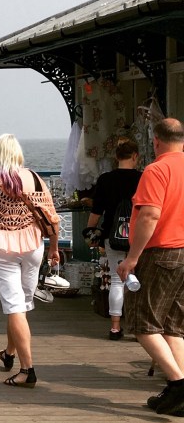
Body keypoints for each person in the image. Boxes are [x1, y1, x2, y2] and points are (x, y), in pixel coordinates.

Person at [0, 134, 60, 388]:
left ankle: (27, 369)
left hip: (3, 245)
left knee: (15, 306)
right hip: (33, 244)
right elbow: (51, 216)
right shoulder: (34, 177)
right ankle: (9, 352)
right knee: (22, 304)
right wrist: (54, 248)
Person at [116, 119, 184, 415]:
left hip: (161, 252)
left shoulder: (157, 170)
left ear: (156, 141)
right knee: (173, 325)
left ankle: (178, 382)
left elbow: (149, 216)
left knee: (142, 323)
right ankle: (178, 389)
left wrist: (132, 257)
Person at [84, 138, 141, 340]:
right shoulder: (143, 178)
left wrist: (90, 231)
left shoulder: (106, 179)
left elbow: (97, 210)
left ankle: (115, 327)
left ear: (116, 157)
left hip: (112, 235)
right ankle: (136, 327)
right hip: (139, 236)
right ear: (135, 156)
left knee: (117, 280)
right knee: (137, 281)